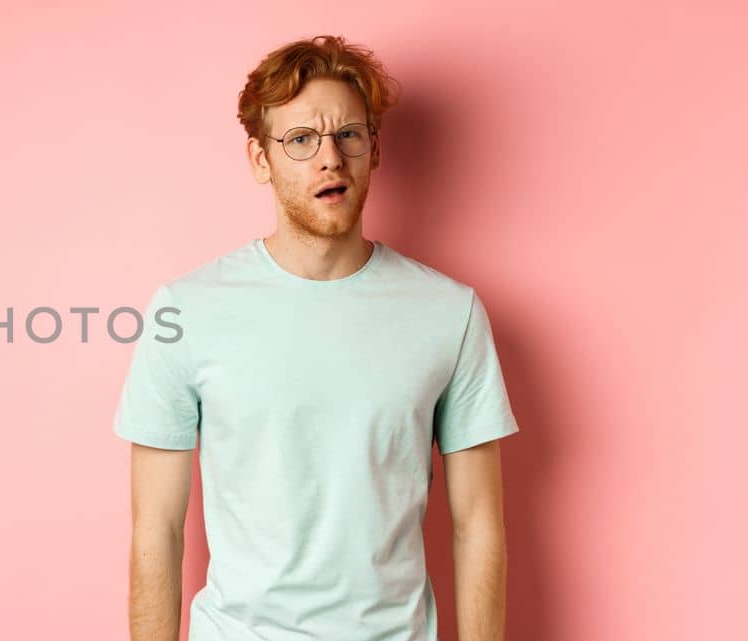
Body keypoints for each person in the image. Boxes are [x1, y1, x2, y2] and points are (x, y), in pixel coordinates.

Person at [114, 35, 517, 641]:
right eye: (301, 140)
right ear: (260, 160)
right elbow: (156, 530)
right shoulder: (185, 311)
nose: (330, 158)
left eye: (348, 135)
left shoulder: (449, 312)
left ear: (374, 150)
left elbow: (479, 523)